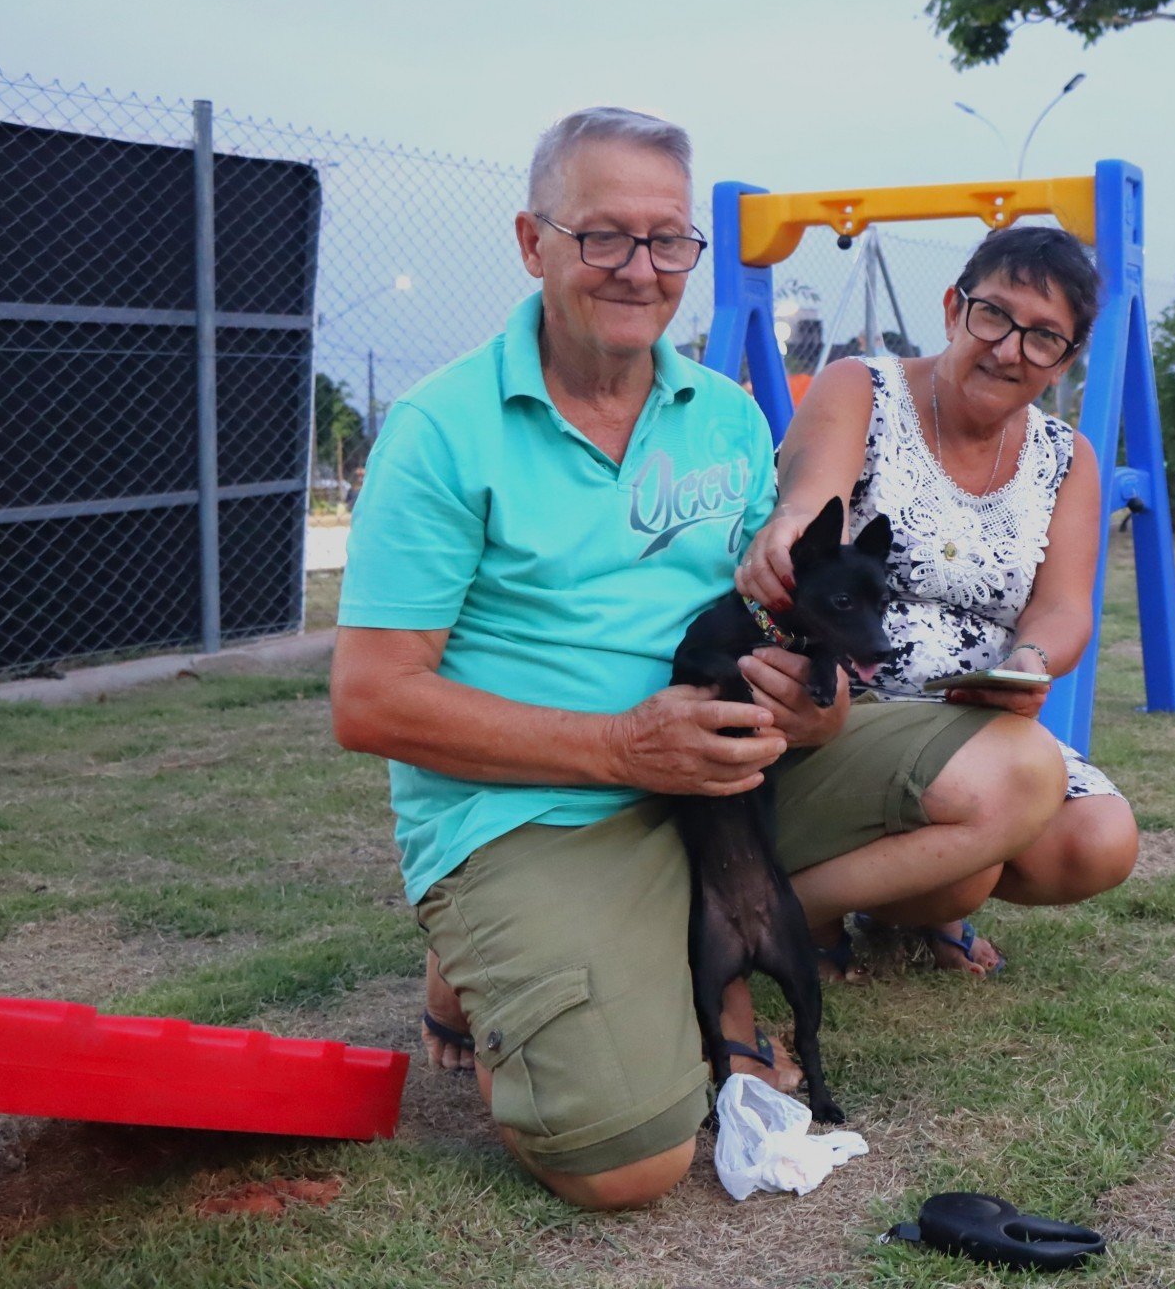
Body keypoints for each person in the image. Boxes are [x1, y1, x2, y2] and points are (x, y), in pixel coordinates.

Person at [331, 108, 1068, 1211]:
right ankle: (516, 959)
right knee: (631, 1158)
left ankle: (670, 942)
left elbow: (770, 612)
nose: (642, 269)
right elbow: (371, 702)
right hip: (540, 805)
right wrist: (628, 744)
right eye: (605, 237)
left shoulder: (723, 415)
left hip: (728, 774)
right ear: (533, 243)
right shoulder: (441, 430)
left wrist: (814, 703)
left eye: (670, 240)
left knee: (1022, 770)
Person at [737, 225, 1139, 979]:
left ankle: (908, 895)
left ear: (1067, 359)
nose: (1011, 349)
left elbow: (1063, 609)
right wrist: (789, 529)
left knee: (1101, 841)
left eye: (1045, 337)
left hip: (980, 719)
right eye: (995, 316)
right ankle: (786, 911)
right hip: (846, 708)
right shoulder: (862, 388)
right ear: (954, 307)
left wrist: (1028, 660)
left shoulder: (1066, 459)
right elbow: (810, 501)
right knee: (969, 859)